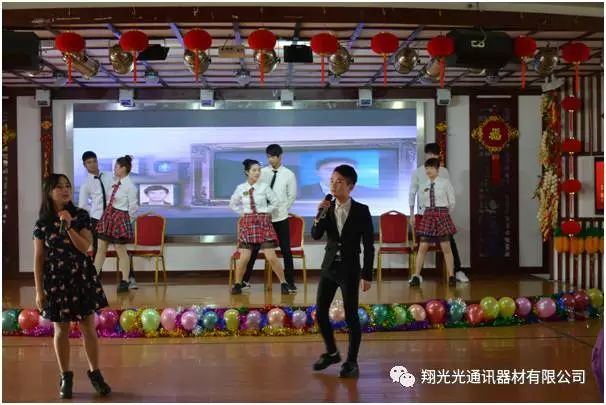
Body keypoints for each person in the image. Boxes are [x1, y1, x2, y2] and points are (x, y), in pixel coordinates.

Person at [33, 174, 111, 399]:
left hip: (81, 278)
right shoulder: (42, 223)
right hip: (56, 281)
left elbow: (85, 247)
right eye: (59, 187)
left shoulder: (81, 216)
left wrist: (68, 226)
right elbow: (39, 258)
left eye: (67, 186)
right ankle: (65, 376)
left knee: (88, 327)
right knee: (61, 329)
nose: (65, 190)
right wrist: (39, 290)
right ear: (49, 192)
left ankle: (95, 374)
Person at [311, 164, 374, 378]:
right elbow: (316, 235)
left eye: (338, 182)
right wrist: (319, 214)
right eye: (331, 181)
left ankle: (351, 361)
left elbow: (369, 246)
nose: (333, 185)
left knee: (351, 315)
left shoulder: (362, 211)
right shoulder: (327, 208)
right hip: (329, 267)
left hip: (350, 269)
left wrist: (367, 274)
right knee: (321, 312)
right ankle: (331, 352)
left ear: (350, 186)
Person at [229, 159, 293, 295]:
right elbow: (233, 204)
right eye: (254, 170)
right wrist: (244, 213)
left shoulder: (264, 187)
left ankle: (284, 283)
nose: (257, 173)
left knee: (271, 257)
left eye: (258, 170)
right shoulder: (241, 188)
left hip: (263, 223)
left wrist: (265, 211)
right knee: (244, 257)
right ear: (247, 172)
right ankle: (238, 284)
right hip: (248, 224)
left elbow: (275, 202)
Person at [409, 143, 469, 283]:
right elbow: (412, 193)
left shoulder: (444, 172)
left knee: (448, 244)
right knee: (423, 245)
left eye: (435, 155)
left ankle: (455, 272)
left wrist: (445, 213)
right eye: (430, 155)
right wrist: (412, 213)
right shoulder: (418, 172)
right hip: (425, 213)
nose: (432, 157)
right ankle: (416, 275)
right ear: (426, 155)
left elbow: (451, 198)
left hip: (442, 214)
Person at [241, 144, 298, 291]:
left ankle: (290, 283)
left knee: (286, 250)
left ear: (280, 156)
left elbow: (291, 196)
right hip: (262, 218)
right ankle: (244, 280)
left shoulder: (289, 174)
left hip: (280, 217)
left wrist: (282, 209)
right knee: (254, 249)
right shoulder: (262, 172)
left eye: (273, 157)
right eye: (268, 157)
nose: (270, 160)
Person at [94, 155, 138, 293]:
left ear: (123, 168)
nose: (114, 169)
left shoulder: (130, 186)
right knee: (101, 248)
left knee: (120, 250)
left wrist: (125, 221)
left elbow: (133, 208)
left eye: (116, 167)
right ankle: (93, 278)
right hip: (108, 216)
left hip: (120, 218)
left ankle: (125, 280)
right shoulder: (115, 182)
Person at [78, 151, 113, 261]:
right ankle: (96, 272)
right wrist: (95, 211)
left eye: (94, 161)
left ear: (97, 162)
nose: (92, 164)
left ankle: (125, 272)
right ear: (84, 165)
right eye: (89, 162)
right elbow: (82, 205)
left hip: (114, 217)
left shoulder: (110, 175)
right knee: (98, 250)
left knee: (120, 247)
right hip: (97, 219)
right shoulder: (85, 183)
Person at [299, 157, 375, 200]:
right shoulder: (301, 192)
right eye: (330, 169)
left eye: (345, 171)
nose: (338, 175)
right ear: (317, 172)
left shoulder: (370, 193)